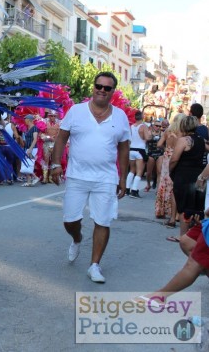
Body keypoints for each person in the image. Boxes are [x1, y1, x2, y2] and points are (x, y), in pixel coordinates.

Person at [51, 71, 130, 283]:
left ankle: (94, 265)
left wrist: (123, 178)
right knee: (70, 220)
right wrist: (56, 164)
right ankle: (77, 238)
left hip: (106, 178)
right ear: (93, 87)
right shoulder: (76, 111)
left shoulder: (120, 116)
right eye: (99, 86)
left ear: (113, 91)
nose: (102, 90)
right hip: (77, 175)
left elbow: (124, 149)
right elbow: (61, 138)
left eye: (107, 88)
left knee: (103, 220)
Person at [167, 116, 205, 243]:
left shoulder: (184, 140)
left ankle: (183, 236)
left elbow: (174, 159)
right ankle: (194, 235)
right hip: (198, 176)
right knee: (196, 206)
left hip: (183, 176)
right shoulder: (201, 140)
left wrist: (169, 170)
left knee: (183, 207)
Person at [155, 116, 181, 224]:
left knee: (164, 181)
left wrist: (166, 149)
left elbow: (159, 144)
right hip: (177, 157)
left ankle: (161, 210)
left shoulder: (167, 131)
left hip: (167, 157)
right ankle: (174, 212)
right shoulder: (181, 133)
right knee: (174, 183)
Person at [126, 111, 151, 198]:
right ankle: (134, 190)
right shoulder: (143, 126)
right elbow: (147, 137)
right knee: (139, 172)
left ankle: (127, 188)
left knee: (132, 170)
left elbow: (129, 139)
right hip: (140, 150)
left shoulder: (132, 126)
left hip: (132, 149)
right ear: (142, 117)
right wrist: (150, 135)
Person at [40, 110, 60, 184]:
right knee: (46, 160)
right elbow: (41, 133)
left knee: (54, 160)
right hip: (46, 143)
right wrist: (48, 137)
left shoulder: (59, 123)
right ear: (49, 116)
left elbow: (60, 134)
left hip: (55, 144)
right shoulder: (44, 122)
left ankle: (51, 177)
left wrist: (55, 138)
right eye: (51, 116)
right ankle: (45, 178)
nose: (53, 117)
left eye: (54, 116)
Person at [144, 119, 163, 192]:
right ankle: (148, 184)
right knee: (149, 172)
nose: (158, 127)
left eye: (159, 126)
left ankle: (158, 189)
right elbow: (144, 142)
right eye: (156, 125)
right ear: (153, 126)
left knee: (159, 172)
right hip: (151, 154)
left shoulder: (162, 133)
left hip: (160, 154)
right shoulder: (149, 133)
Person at [22, 114, 40, 187]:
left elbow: (35, 139)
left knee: (29, 164)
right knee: (27, 164)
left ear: (29, 120)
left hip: (32, 148)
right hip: (27, 148)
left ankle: (35, 177)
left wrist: (30, 149)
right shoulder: (27, 128)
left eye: (25, 119)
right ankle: (29, 181)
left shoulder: (34, 128)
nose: (24, 121)